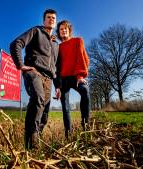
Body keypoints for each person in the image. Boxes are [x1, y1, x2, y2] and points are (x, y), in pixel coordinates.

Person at [10, 9, 60, 150]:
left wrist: (58, 86)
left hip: (49, 78)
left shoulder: (56, 44)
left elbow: (55, 66)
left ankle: (35, 140)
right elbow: (16, 43)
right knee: (38, 98)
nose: (51, 19)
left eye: (53, 18)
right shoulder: (36, 31)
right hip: (34, 72)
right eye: (48, 17)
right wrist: (21, 65)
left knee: (44, 114)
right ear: (44, 20)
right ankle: (31, 147)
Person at [56, 20, 90, 138]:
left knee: (85, 91)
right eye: (61, 29)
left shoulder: (78, 41)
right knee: (65, 108)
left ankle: (86, 126)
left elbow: (84, 59)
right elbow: (57, 67)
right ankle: (68, 135)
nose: (63, 30)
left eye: (65, 28)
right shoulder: (58, 47)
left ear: (69, 30)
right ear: (58, 32)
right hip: (63, 79)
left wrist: (80, 76)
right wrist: (58, 86)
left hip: (76, 77)